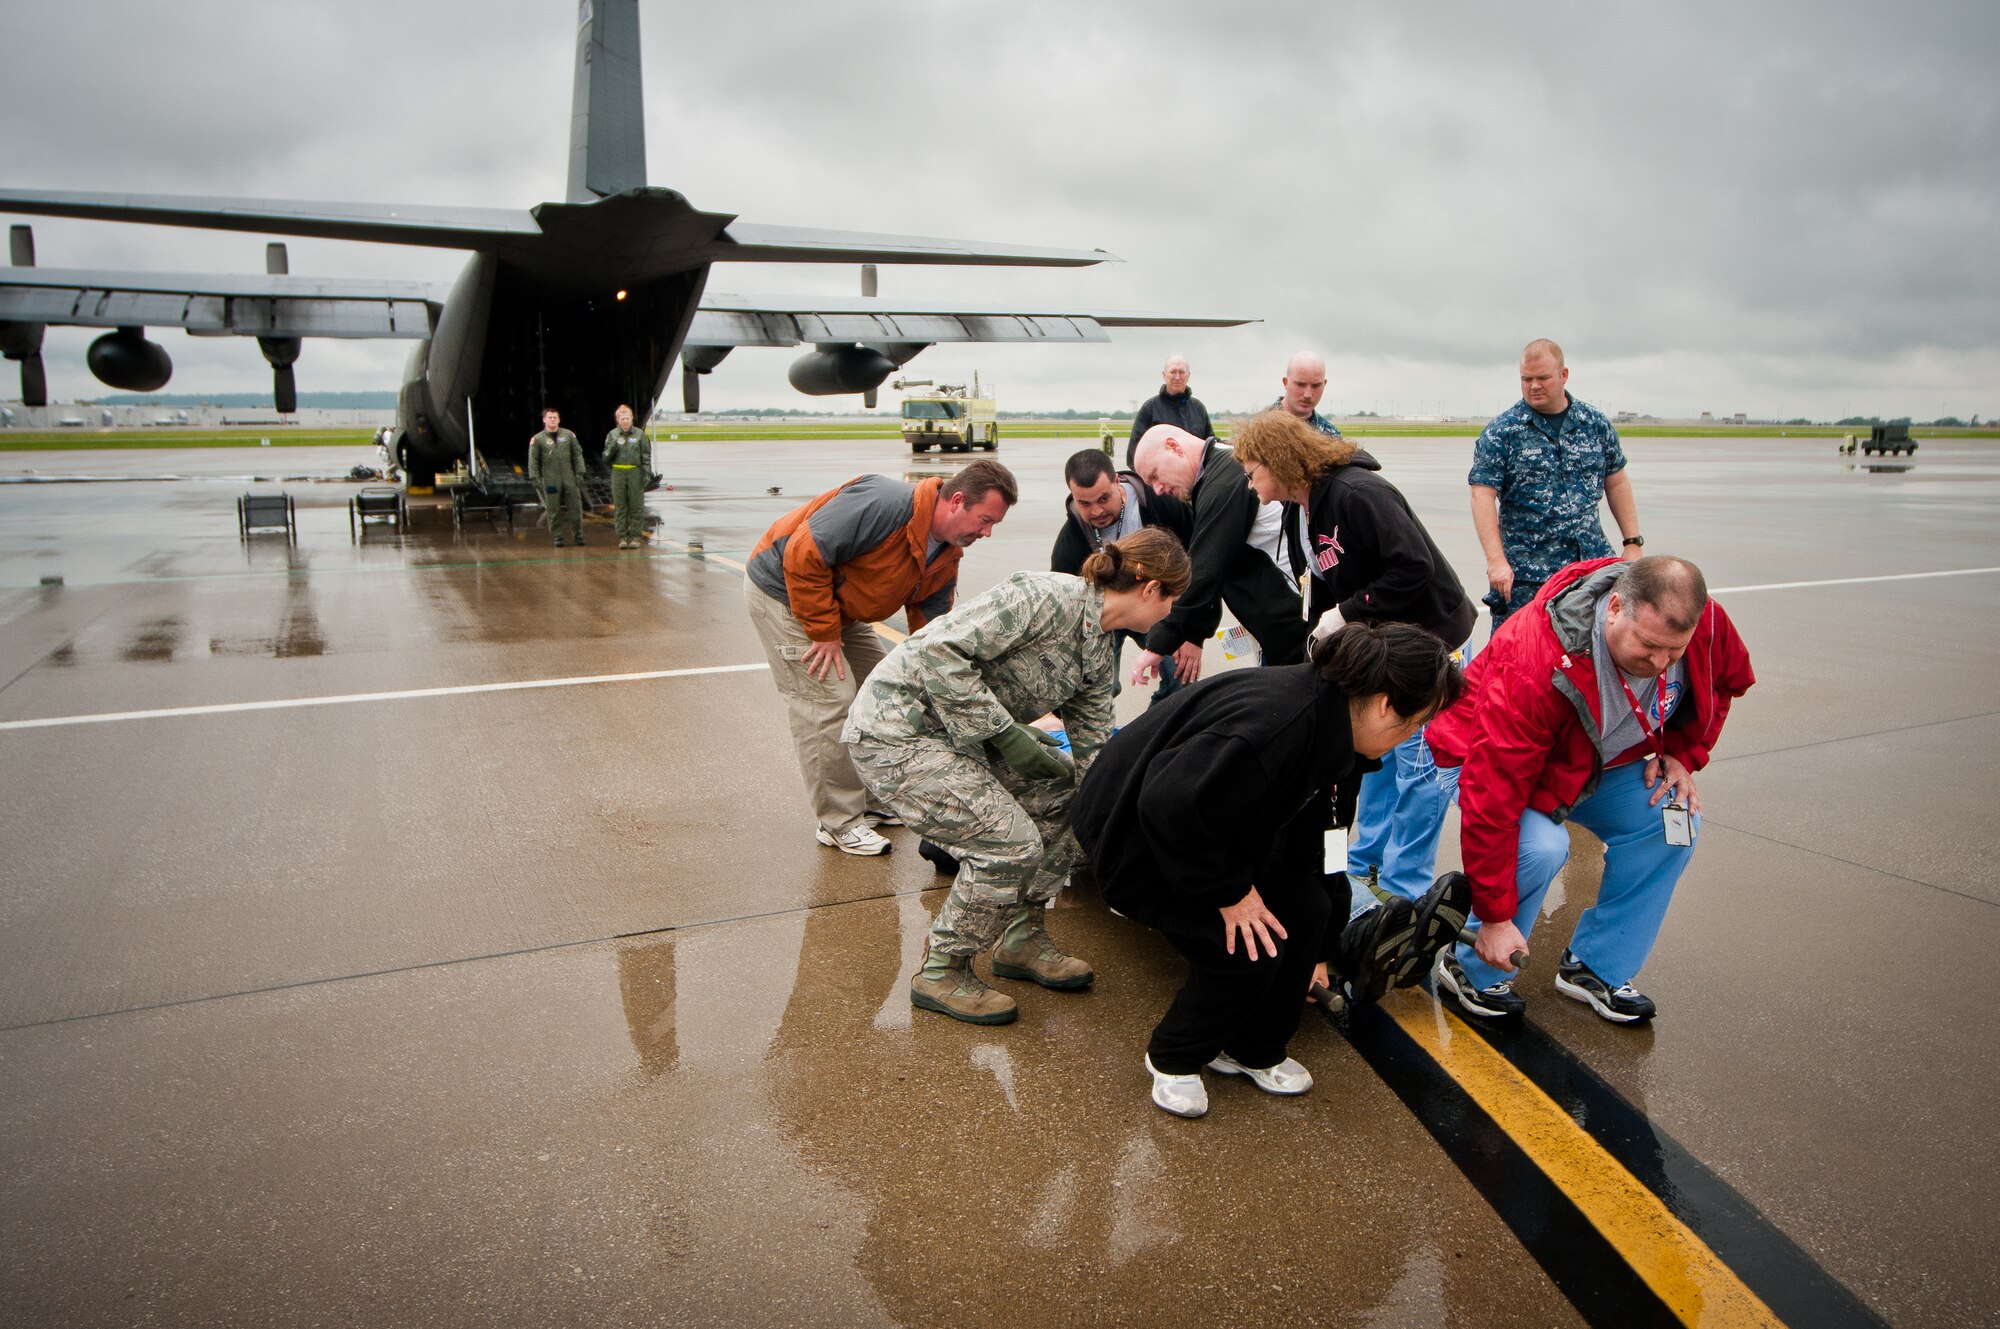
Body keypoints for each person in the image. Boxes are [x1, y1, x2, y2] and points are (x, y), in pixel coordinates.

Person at [1071, 622, 1464, 1118]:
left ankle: (1251, 1048)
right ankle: (1174, 1057)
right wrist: (1230, 893)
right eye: (1416, 722)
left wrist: (1318, 950)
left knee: (1309, 910)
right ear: (1386, 703)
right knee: (1246, 947)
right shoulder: (1275, 728)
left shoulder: (1341, 731)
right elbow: (1168, 805)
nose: (1416, 734)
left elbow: (1327, 841)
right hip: (1134, 835)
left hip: (1214, 831)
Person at [844, 528, 1192, 1025]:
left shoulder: (1097, 649)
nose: (1170, 614)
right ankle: (942, 970)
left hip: (963, 742)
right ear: (1151, 589)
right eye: (1172, 600)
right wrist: (1007, 735)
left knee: (1078, 799)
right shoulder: (1044, 596)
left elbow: (1094, 748)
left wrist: (1130, 801)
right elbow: (938, 652)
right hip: (898, 732)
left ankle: (1022, 939)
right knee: (1009, 844)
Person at [1427, 555, 1754, 1024]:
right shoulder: (1536, 658)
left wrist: (1685, 753)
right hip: (1491, 760)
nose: (1660, 663)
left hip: (1590, 763)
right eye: (1648, 646)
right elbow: (1491, 796)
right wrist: (1496, 917)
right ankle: (1472, 966)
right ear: (1615, 607)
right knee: (1542, 846)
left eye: (1674, 652)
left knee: (1673, 821)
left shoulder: (1704, 625)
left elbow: (1724, 681)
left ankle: (1596, 966)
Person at [1232, 410, 1476, 928]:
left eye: (1252, 471)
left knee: (1421, 769)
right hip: (1386, 647)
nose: (1250, 485)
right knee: (1375, 757)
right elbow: (1324, 577)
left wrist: (1350, 612)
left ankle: (1404, 886)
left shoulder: (1357, 493)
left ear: (1279, 460)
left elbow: (1414, 566)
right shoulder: (1309, 505)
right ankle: (1363, 862)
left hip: (1433, 643)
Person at [745, 460, 1018, 856]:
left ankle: (873, 802)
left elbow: (931, 618)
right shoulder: (884, 504)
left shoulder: (947, 548)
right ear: (957, 501)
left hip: (840, 607)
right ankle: (839, 822)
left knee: (883, 693)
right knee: (828, 703)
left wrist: (939, 673)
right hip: (786, 595)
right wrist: (823, 632)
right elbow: (803, 555)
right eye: (985, 519)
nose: (987, 532)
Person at [1470, 339, 1643, 626]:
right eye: (1526, 379)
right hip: (1527, 577)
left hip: (1591, 568)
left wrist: (1633, 542)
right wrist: (1496, 561)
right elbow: (1482, 496)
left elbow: (1616, 481)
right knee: (1521, 659)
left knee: (1592, 655)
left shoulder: (1594, 424)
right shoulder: (1503, 432)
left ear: (1563, 375)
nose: (1534, 385)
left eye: (1542, 378)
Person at [1129, 423, 1307, 686]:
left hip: (1296, 625)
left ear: (1173, 447)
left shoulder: (1227, 475)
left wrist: (1159, 643)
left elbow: (1206, 568)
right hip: (1281, 626)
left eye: (1154, 475)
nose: (1157, 489)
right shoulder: (1216, 471)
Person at [1050, 447, 1193, 700]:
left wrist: (1187, 629)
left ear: (1117, 481)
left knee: (1181, 676)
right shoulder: (1070, 540)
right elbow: (1062, 606)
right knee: (1098, 689)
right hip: (1105, 616)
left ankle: (1159, 733)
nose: (1096, 512)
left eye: (1104, 499)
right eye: (1085, 503)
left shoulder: (1160, 503)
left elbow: (1196, 561)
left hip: (1156, 605)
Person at [1124, 355, 1212, 468]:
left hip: (1195, 481)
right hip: (1161, 483)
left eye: (1182, 372)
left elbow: (1210, 448)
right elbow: (1133, 455)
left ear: (1188, 375)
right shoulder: (1150, 409)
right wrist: (1155, 482)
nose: (1177, 377)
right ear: (1164, 375)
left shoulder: (1198, 408)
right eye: (1173, 372)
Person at [528, 408, 588, 547]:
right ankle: (558, 536)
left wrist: (580, 473)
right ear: (544, 419)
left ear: (559, 419)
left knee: (575, 508)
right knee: (553, 509)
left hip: (569, 478)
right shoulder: (537, 439)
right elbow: (533, 460)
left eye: (555, 417)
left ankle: (578, 535)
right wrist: (534, 477)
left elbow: (577, 454)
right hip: (551, 481)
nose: (552, 420)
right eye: (549, 417)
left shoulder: (568, 435)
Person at [602, 404, 651, 550]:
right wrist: (613, 446)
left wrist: (646, 475)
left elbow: (646, 457)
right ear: (618, 419)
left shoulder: (639, 435)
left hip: (634, 471)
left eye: (627, 418)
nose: (625, 421)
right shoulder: (612, 435)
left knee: (636, 506)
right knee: (621, 507)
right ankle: (622, 537)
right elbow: (605, 457)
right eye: (622, 418)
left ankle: (635, 537)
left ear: (632, 418)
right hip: (618, 472)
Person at [1272, 352, 1343, 438]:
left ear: (1324, 384)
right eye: (1300, 384)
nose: (1308, 394)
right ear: (1285, 383)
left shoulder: (1331, 436)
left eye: (1315, 386)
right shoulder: (1256, 428)